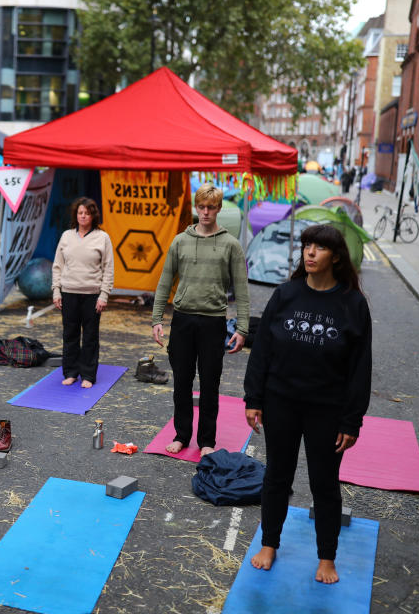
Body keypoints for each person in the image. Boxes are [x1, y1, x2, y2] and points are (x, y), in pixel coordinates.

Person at [243, 224, 371, 585]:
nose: (310, 253)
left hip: (327, 409)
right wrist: (254, 398)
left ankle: (327, 557)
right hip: (281, 401)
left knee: (324, 483)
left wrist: (351, 421)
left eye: (320, 248)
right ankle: (269, 544)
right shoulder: (286, 294)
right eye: (307, 246)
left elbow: (361, 368)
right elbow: (262, 351)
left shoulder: (352, 304)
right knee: (276, 477)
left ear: (336, 256)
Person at [151, 184, 249, 457]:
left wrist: (242, 328)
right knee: (182, 381)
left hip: (213, 320)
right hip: (182, 320)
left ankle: (207, 440)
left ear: (218, 209)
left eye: (211, 207)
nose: (206, 212)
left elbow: (241, 288)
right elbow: (164, 282)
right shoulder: (180, 241)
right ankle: (182, 435)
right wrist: (156, 318)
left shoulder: (230, 244)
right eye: (202, 207)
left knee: (210, 382)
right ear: (197, 207)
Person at [51, 197, 114, 388]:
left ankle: (88, 375)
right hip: (68, 292)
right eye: (80, 213)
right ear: (75, 215)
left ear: (93, 215)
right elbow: (57, 266)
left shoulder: (102, 238)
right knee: (69, 335)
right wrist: (56, 291)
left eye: (87, 213)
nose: (83, 216)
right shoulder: (66, 236)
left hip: (92, 295)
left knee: (90, 336)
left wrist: (104, 294)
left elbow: (108, 268)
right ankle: (70, 372)